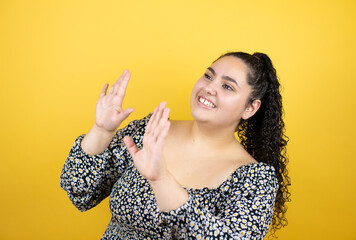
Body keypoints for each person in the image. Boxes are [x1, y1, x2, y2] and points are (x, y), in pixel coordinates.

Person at [60, 51, 290, 240]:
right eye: (208, 76)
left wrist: (161, 179)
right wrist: (102, 131)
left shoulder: (255, 179)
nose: (210, 88)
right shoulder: (153, 130)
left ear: (250, 108)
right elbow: (81, 193)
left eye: (228, 87)